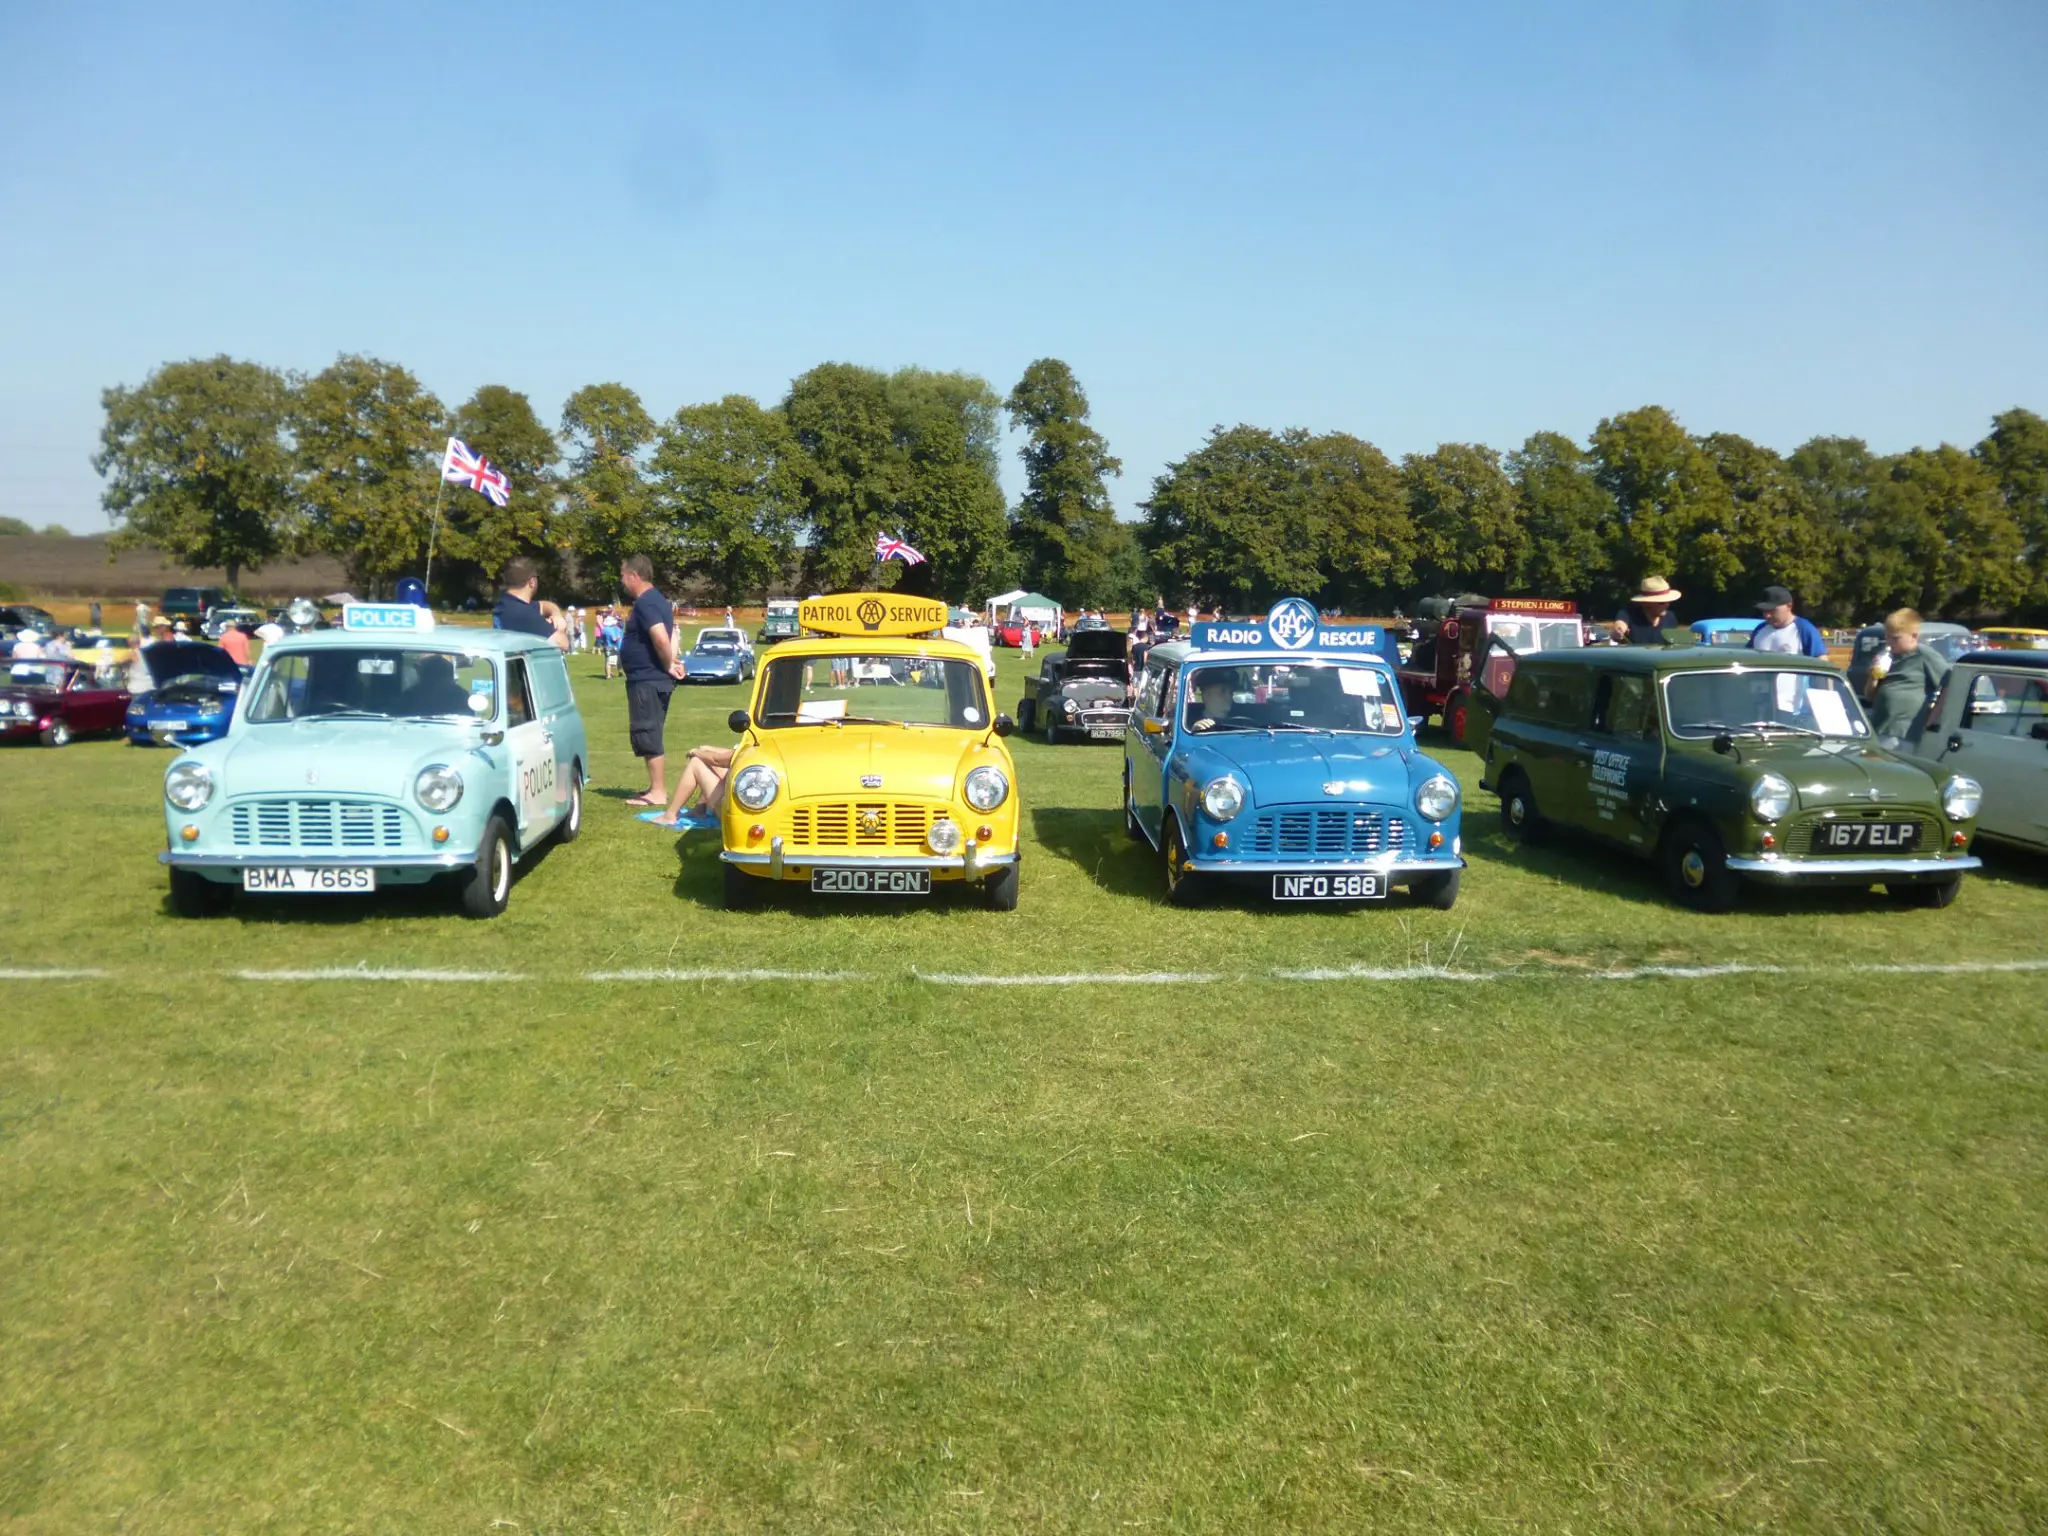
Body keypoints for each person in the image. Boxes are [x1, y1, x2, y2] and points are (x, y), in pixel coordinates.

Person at [618, 554, 683, 806]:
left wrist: (668, 664)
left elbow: (660, 637)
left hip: (648, 679)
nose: (622, 582)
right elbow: (671, 635)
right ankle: (654, 788)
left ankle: (658, 792)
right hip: (649, 677)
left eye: (624, 576)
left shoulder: (646, 603)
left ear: (634, 576)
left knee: (648, 731)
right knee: (648, 730)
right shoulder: (658, 601)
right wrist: (672, 663)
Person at [1870, 608, 1949, 740]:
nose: (1889, 642)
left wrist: (1932, 718)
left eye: (1895, 638)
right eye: (1887, 637)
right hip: (1878, 727)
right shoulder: (1887, 657)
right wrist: (1872, 678)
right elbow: (1870, 696)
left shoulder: (1925, 655)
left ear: (1914, 636)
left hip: (1904, 733)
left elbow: (1950, 685)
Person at [490, 557, 569, 652]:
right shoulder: (524, 614)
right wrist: (560, 628)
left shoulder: (506, 604)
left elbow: (544, 605)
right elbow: (563, 645)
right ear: (532, 582)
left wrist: (556, 614)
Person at [646, 744, 734, 827]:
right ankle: (699, 810)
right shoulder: (747, 748)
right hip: (739, 808)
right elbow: (734, 752)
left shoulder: (747, 746)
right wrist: (709, 749)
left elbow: (716, 760)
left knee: (696, 763)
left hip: (733, 813)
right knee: (708, 762)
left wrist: (696, 752)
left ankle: (669, 816)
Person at [1748, 585, 1828, 657]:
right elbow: (1748, 657)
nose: (1767, 615)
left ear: (1789, 606)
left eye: (1772, 610)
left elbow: (1821, 661)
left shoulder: (1804, 629)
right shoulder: (1760, 629)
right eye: (1764, 610)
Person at [1613, 576, 1683, 644]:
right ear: (1646, 603)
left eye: (1669, 601)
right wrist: (1619, 631)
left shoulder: (1670, 618)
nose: (1667, 605)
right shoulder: (1628, 614)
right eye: (1662, 602)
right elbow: (1620, 625)